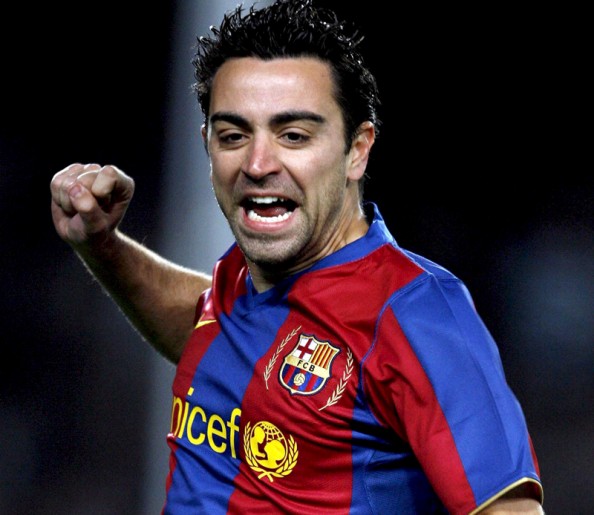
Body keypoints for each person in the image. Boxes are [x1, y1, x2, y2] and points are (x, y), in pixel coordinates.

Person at [50, 1, 544, 513]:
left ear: (357, 150)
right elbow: (213, 333)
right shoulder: (242, 278)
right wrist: (102, 246)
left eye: (293, 136)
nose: (257, 164)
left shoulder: (416, 314)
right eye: (233, 136)